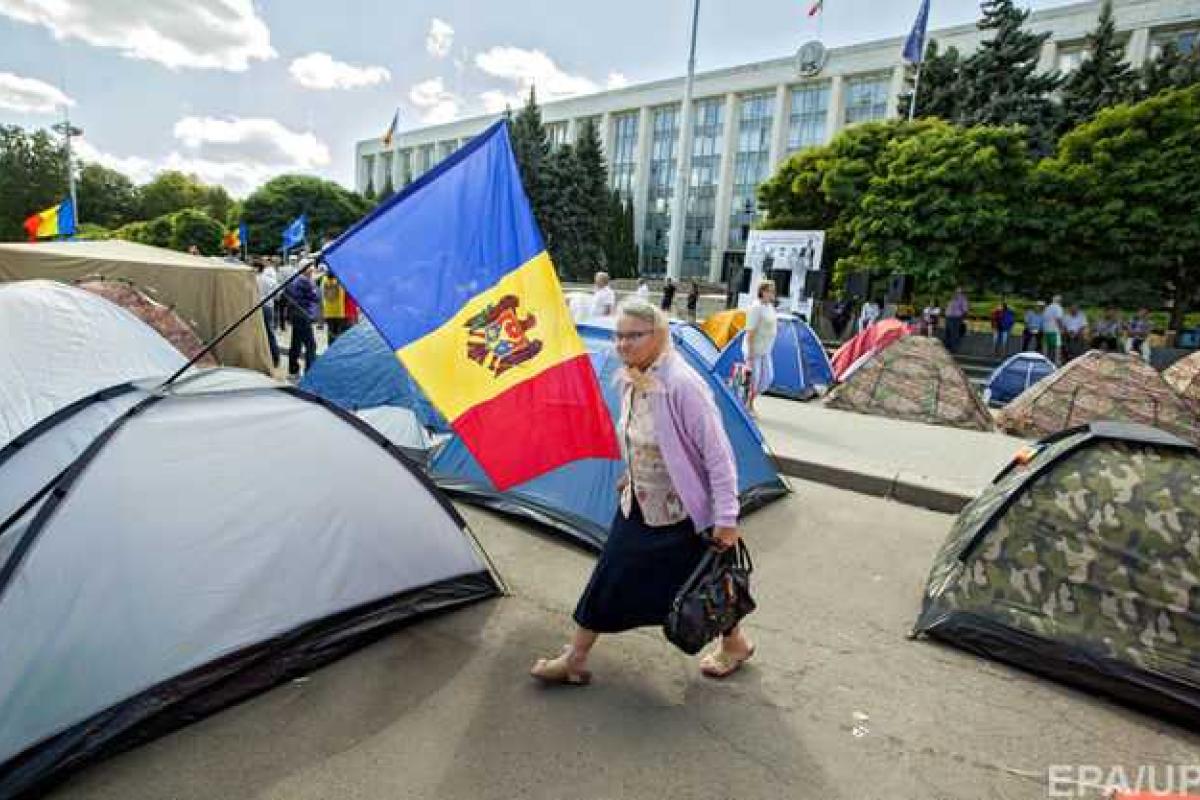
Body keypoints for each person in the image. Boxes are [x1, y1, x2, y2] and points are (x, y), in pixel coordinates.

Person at [530, 299, 751, 685]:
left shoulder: (684, 385)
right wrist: (630, 474)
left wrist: (727, 519)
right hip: (639, 503)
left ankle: (734, 646)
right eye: (619, 336)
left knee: (704, 586)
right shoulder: (634, 375)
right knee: (609, 575)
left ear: (659, 335)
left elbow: (720, 458)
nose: (623, 344)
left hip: (683, 514)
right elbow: (642, 438)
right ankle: (576, 657)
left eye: (634, 335)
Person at [743, 280, 779, 415]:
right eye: (771, 290)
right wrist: (750, 355)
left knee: (767, 379)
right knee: (755, 379)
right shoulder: (756, 307)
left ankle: (748, 401)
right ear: (763, 292)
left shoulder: (770, 307)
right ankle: (749, 405)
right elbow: (750, 332)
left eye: (773, 290)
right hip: (754, 350)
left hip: (765, 350)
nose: (773, 293)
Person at [285, 264, 320, 379]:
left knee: (296, 344)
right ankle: (309, 372)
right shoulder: (305, 281)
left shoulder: (294, 280)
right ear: (307, 270)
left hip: (295, 315)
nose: (312, 272)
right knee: (311, 345)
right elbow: (315, 297)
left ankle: (293, 371)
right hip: (303, 315)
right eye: (311, 270)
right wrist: (314, 285)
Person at [254, 260, 280, 368]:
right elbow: (278, 294)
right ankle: (275, 358)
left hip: (256, 307)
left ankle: (261, 358)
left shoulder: (253, 279)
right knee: (270, 332)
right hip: (268, 306)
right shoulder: (269, 280)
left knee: (257, 333)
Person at [944, 287, 969, 353]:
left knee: (954, 333)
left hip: (956, 318)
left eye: (959, 292)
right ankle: (947, 348)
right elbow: (948, 307)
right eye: (956, 291)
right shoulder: (952, 298)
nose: (957, 293)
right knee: (948, 333)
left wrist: (962, 318)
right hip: (948, 317)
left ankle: (953, 349)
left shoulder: (963, 299)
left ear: (962, 292)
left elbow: (965, 310)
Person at [1043, 294, 1064, 363]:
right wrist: (1061, 329)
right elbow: (1058, 319)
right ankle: (1057, 362)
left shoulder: (1047, 307)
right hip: (1054, 330)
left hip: (1046, 329)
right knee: (1057, 347)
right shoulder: (1058, 307)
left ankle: (1045, 361)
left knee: (1047, 347)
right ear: (1059, 301)